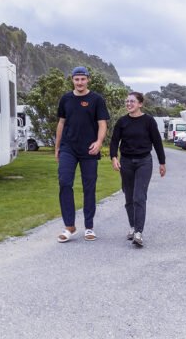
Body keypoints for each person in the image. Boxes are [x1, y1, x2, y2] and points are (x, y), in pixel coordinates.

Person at [55, 66, 110, 243]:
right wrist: (57, 147)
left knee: (89, 187)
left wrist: (99, 142)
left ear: (88, 80)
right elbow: (61, 123)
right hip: (68, 148)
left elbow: (102, 124)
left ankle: (89, 227)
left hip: (89, 149)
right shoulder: (65, 99)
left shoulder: (96, 99)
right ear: (72, 80)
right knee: (64, 182)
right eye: (76, 79)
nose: (80, 82)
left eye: (83, 79)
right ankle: (69, 226)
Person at [110, 91, 166, 247]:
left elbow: (157, 142)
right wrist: (114, 157)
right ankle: (133, 226)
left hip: (144, 162)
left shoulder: (148, 121)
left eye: (132, 101)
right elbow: (114, 141)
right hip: (126, 162)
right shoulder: (122, 121)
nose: (128, 104)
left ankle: (138, 233)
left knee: (139, 196)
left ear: (140, 104)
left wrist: (162, 163)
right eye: (127, 101)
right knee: (129, 197)